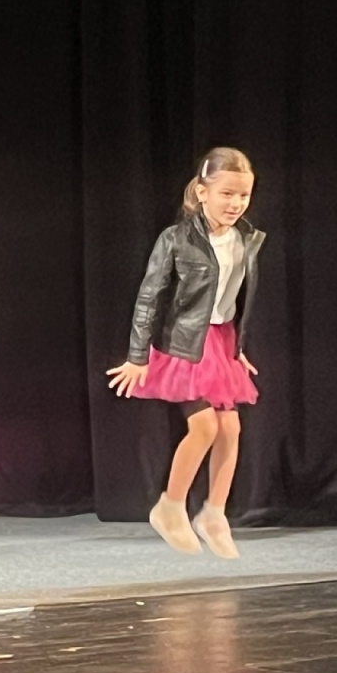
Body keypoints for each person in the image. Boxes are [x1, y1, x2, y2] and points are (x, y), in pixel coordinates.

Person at [107, 147, 265, 559]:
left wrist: (238, 348)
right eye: (227, 193)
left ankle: (214, 513)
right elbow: (149, 297)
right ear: (202, 191)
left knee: (231, 429)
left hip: (221, 341)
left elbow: (236, 300)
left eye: (243, 195)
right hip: (184, 344)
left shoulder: (246, 239)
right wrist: (137, 355)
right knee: (205, 427)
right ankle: (170, 506)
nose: (236, 203)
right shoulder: (176, 239)